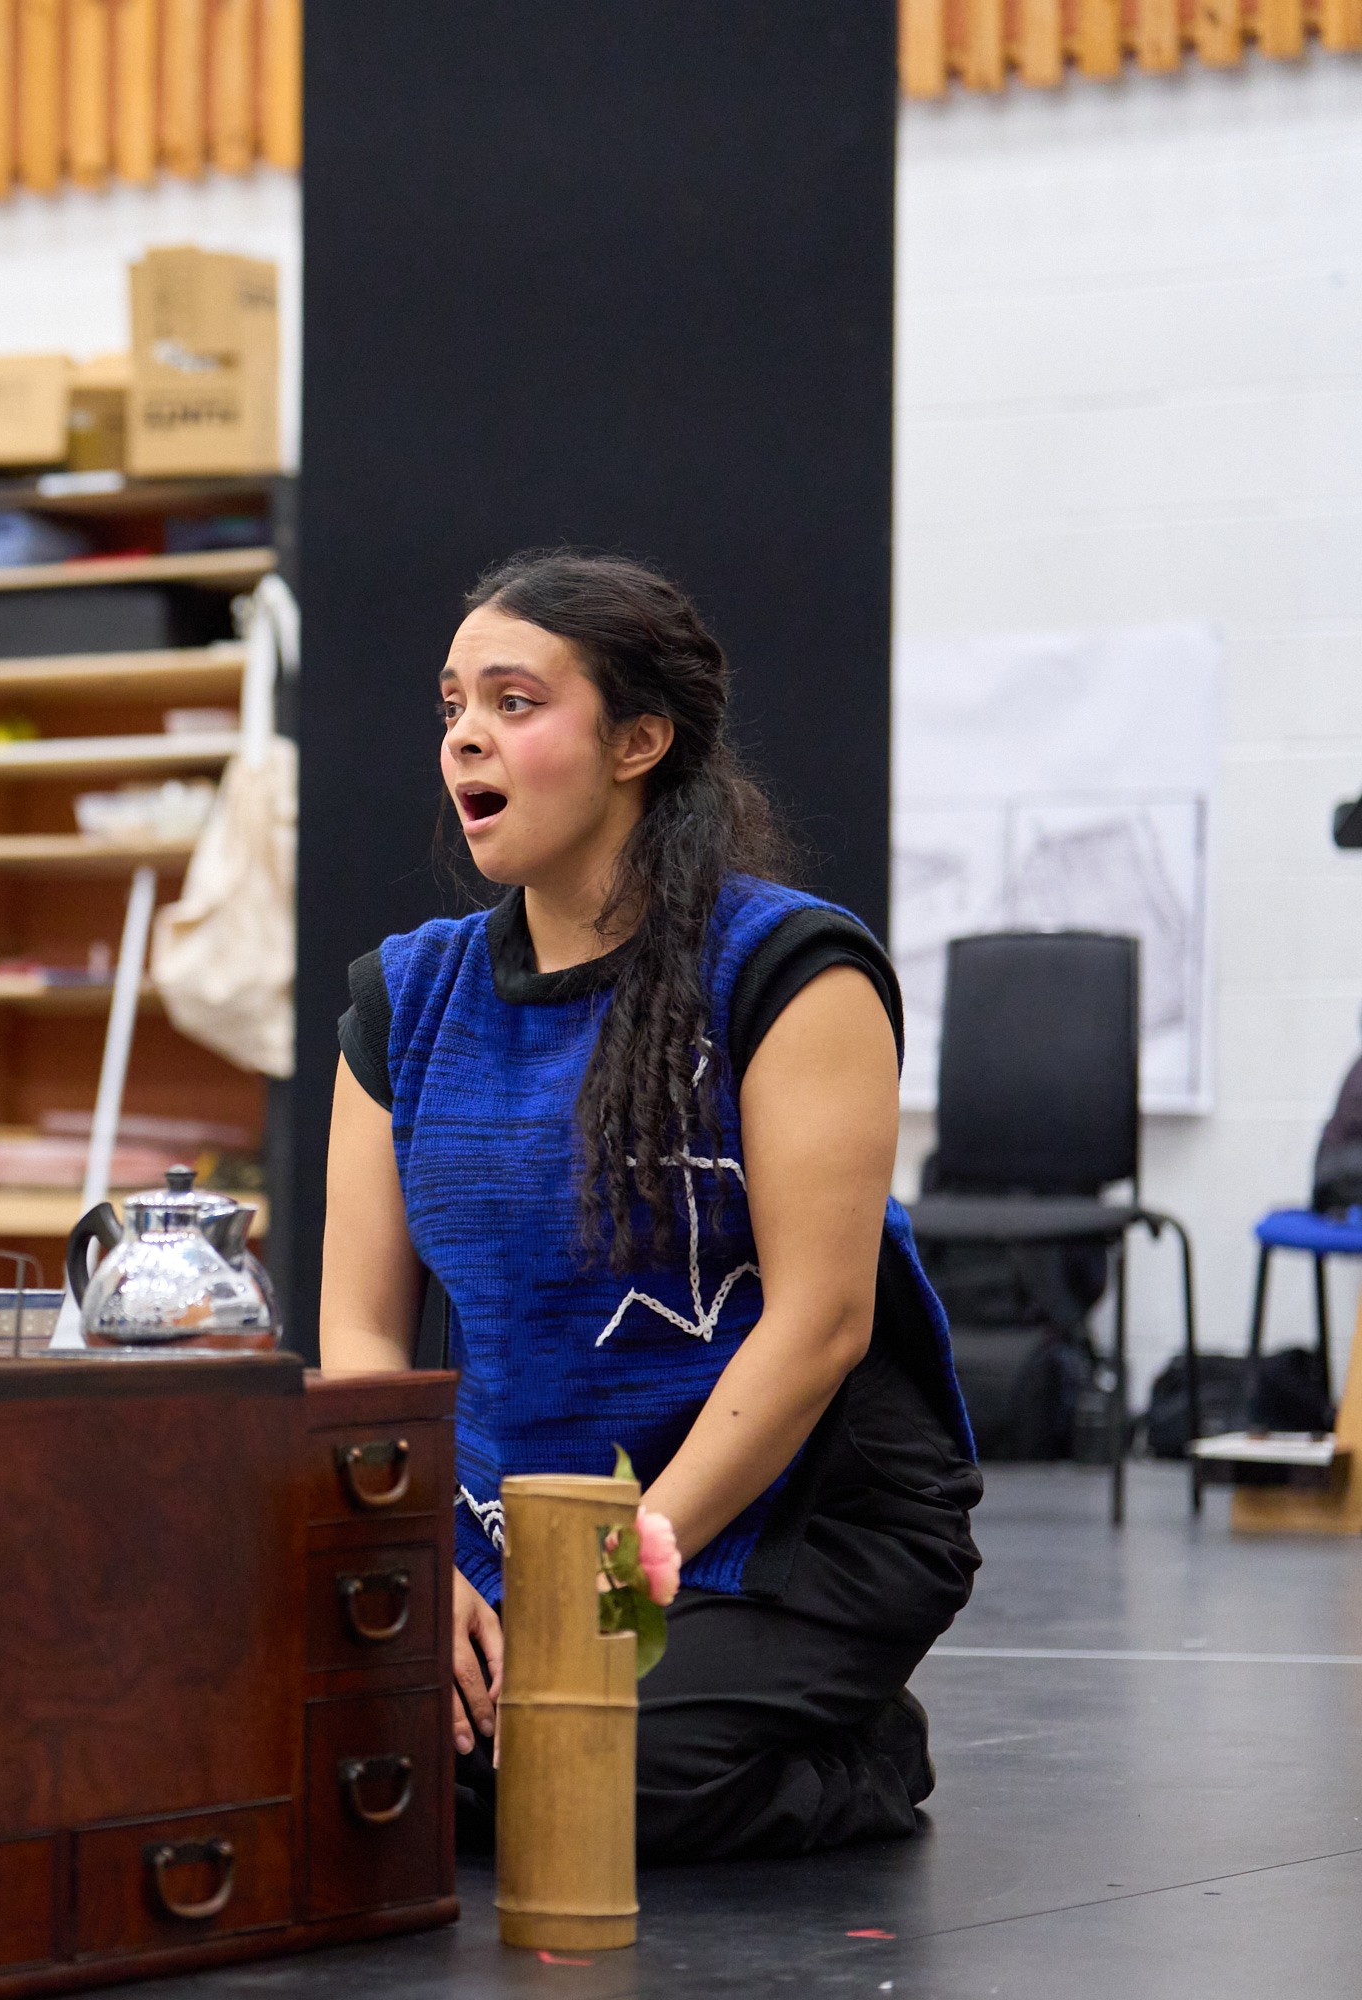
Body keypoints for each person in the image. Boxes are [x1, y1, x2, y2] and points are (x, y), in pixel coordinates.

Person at [317, 550, 982, 1864]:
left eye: (514, 701)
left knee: (570, 1775)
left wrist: (613, 1582)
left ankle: (858, 1755)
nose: (465, 736)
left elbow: (824, 1325)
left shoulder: (792, 970)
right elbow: (359, 1333)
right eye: (453, 704)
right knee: (346, 1747)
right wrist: (410, 1554)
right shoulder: (404, 1000)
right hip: (506, 1522)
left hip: (793, 1520)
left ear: (639, 740)